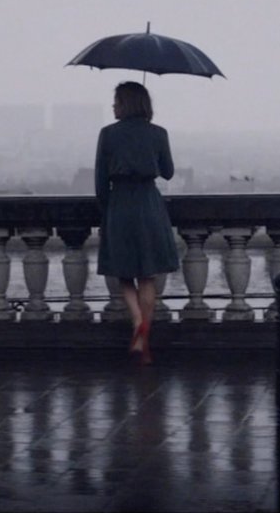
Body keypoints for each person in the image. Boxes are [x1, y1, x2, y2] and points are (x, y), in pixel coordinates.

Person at [95, 81, 179, 364]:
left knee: (123, 272)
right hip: (148, 205)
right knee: (148, 274)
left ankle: (136, 321)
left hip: (120, 204)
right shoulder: (158, 133)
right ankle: (144, 338)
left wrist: (108, 213)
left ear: (126, 104)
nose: (113, 106)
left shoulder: (107, 135)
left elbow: (100, 183)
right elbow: (167, 172)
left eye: (116, 101)